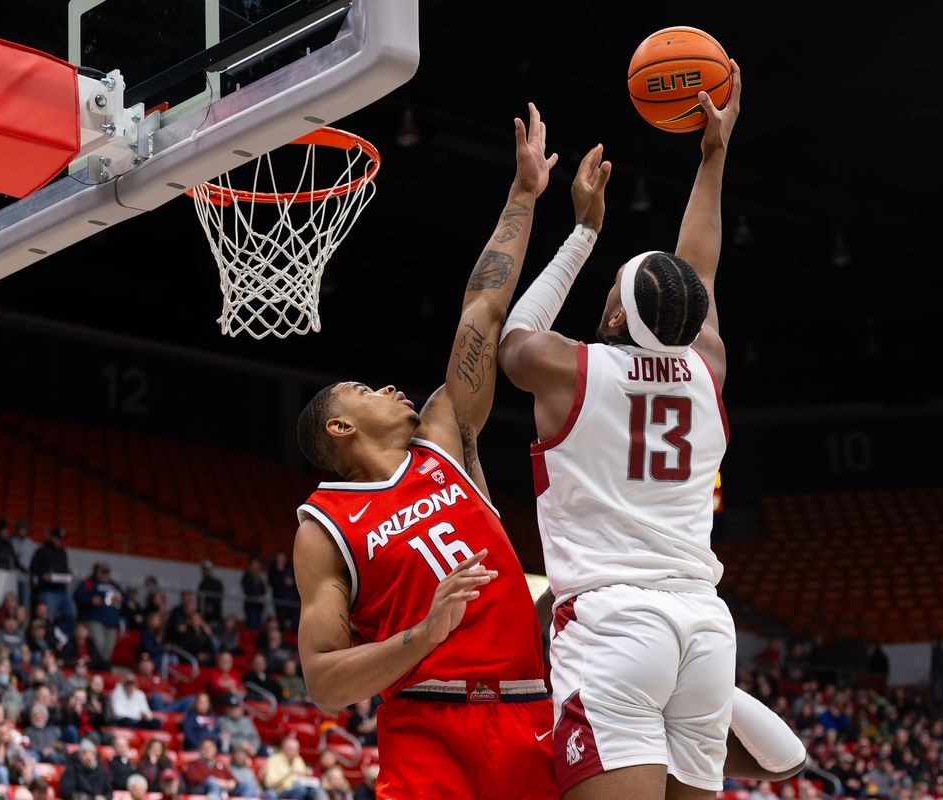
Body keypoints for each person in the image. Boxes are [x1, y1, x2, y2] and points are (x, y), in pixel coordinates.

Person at [500, 65, 805, 799]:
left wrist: (581, 233)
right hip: (703, 629)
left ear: (612, 319)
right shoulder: (708, 366)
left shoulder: (570, 368)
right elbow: (700, 268)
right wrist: (713, 154)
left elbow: (512, 335)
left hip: (613, 623)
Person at [293, 102, 559, 800]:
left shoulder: (446, 436)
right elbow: (322, 682)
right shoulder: (323, 526)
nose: (385, 385)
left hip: (531, 712)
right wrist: (422, 635)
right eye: (361, 388)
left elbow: (483, 310)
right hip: (427, 727)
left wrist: (522, 196)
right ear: (339, 430)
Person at [73, 563, 124, 661]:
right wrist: (90, 600)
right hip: (95, 619)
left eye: (107, 572)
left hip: (112, 621)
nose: (105, 575)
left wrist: (120, 599)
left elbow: (124, 598)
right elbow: (78, 596)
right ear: (97, 572)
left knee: (109, 648)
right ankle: (96, 667)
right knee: (98, 645)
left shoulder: (114, 584)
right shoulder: (89, 582)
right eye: (102, 572)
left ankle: (102, 668)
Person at [29, 527, 76, 635]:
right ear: (52, 538)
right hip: (47, 590)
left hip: (62, 590)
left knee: (71, 613)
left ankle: (64, 639)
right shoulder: (41, 551)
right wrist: (43, 576)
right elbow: (34, 570)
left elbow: (64, 570)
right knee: (48, 616)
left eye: (62, 539)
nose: (60, 541)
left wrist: (68, 575)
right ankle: (48, 637)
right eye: (58, 538)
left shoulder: (63, 552)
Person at [269, 551, 300, 631]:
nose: (281, 560)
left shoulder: (290, 568)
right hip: (279, 600)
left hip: (292, 600)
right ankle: (282, 639)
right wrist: (282, 580)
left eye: (282, 558)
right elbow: (271, 582)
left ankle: (294, 641)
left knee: (295, 622)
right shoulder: (273, 570)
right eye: (279, 558)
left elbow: (298, 581)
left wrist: (292, 582)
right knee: (281, 623)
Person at [242, 559, 268, 631]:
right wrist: (256, 597)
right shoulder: (247, 576)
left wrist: (264, 585)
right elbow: (247, 590)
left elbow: (264, 591)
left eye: (257, 567)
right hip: (251, 605)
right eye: (254, 566)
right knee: (252, 626)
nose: (256, 568)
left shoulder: (260, 578)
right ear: (250, 567)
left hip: (259, 606)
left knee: (258, 626)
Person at [198, 561, 225, 625]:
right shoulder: (202, 584)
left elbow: (219, 597)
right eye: (204, 569)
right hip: (204, 616)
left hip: (215, 616)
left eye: (207, 569)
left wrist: (211, 605)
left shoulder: (216, 583)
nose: (205, 571)